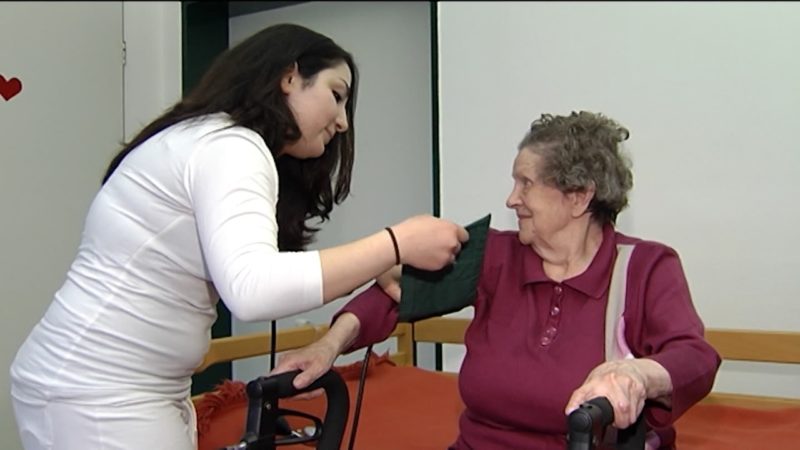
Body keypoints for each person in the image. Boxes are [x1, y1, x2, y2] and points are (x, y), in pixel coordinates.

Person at [9, 23, 468, 450]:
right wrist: (397, 241)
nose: (343, 121)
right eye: (337, 94)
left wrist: (377, 262)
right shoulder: (232, 146)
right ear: (289, 77)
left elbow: (254, 269)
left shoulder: (207, 138)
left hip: (121, 389)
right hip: (97, 395)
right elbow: (252, 288)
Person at [274, 111, 721, 449]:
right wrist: (326, 347)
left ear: (579, 197)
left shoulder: (644, 266)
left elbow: (695, 357)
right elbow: (392, 294)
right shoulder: (496, 255)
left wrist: (636, 374)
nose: (512, 199)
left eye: (526, 184)